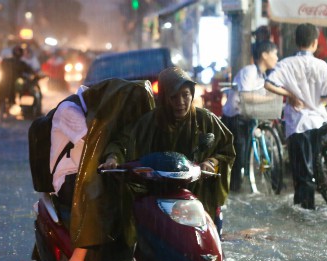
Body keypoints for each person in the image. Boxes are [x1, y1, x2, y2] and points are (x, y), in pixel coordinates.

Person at [100, 66, 235, 242]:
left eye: (185, 95)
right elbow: (121, 142)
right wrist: (113, 158)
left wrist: (211, 162)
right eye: (174, 96)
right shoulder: (148, 123)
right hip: (157, 192)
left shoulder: (206, 120)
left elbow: (227, 149)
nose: (180, 102)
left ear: (192, 94)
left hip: (196, 192)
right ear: (164, 98)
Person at [265, 23, 327, 210]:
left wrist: (291, 95)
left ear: (296, 42)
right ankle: (308, 207)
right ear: (314, 43)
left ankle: (305, 211)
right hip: (319, 122)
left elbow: (268, 84)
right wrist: (315, 100)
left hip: (298, 125)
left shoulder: (286, 64)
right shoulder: (323, 66)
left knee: (302, 173)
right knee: (314, 169)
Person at [222, 41, 279, 192]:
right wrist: (270, 99)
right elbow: (246, 96)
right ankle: (234, 190)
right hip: (235, 118)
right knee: (238, 157)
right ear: (264, 55)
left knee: (247, 154)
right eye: (275, 54)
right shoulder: (249, 71)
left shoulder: (264, 75)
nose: (277, 58)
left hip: (249, 117)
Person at [50, 85, 89, 261]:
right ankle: (78, 257)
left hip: (89, 171)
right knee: (99, 192)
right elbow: (93, 139)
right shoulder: (70, 110)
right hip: (68, 177)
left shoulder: (91, 109)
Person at [0, 45, 34, 117]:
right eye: (16, 51)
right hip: (6, 82)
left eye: (19, 51)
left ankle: (7, 110)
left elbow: (29, 70)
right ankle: (3, 110)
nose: (17, 53)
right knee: (3, 94)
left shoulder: (21, 63)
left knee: (12, 94)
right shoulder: (7, 61)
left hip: (13, 83)